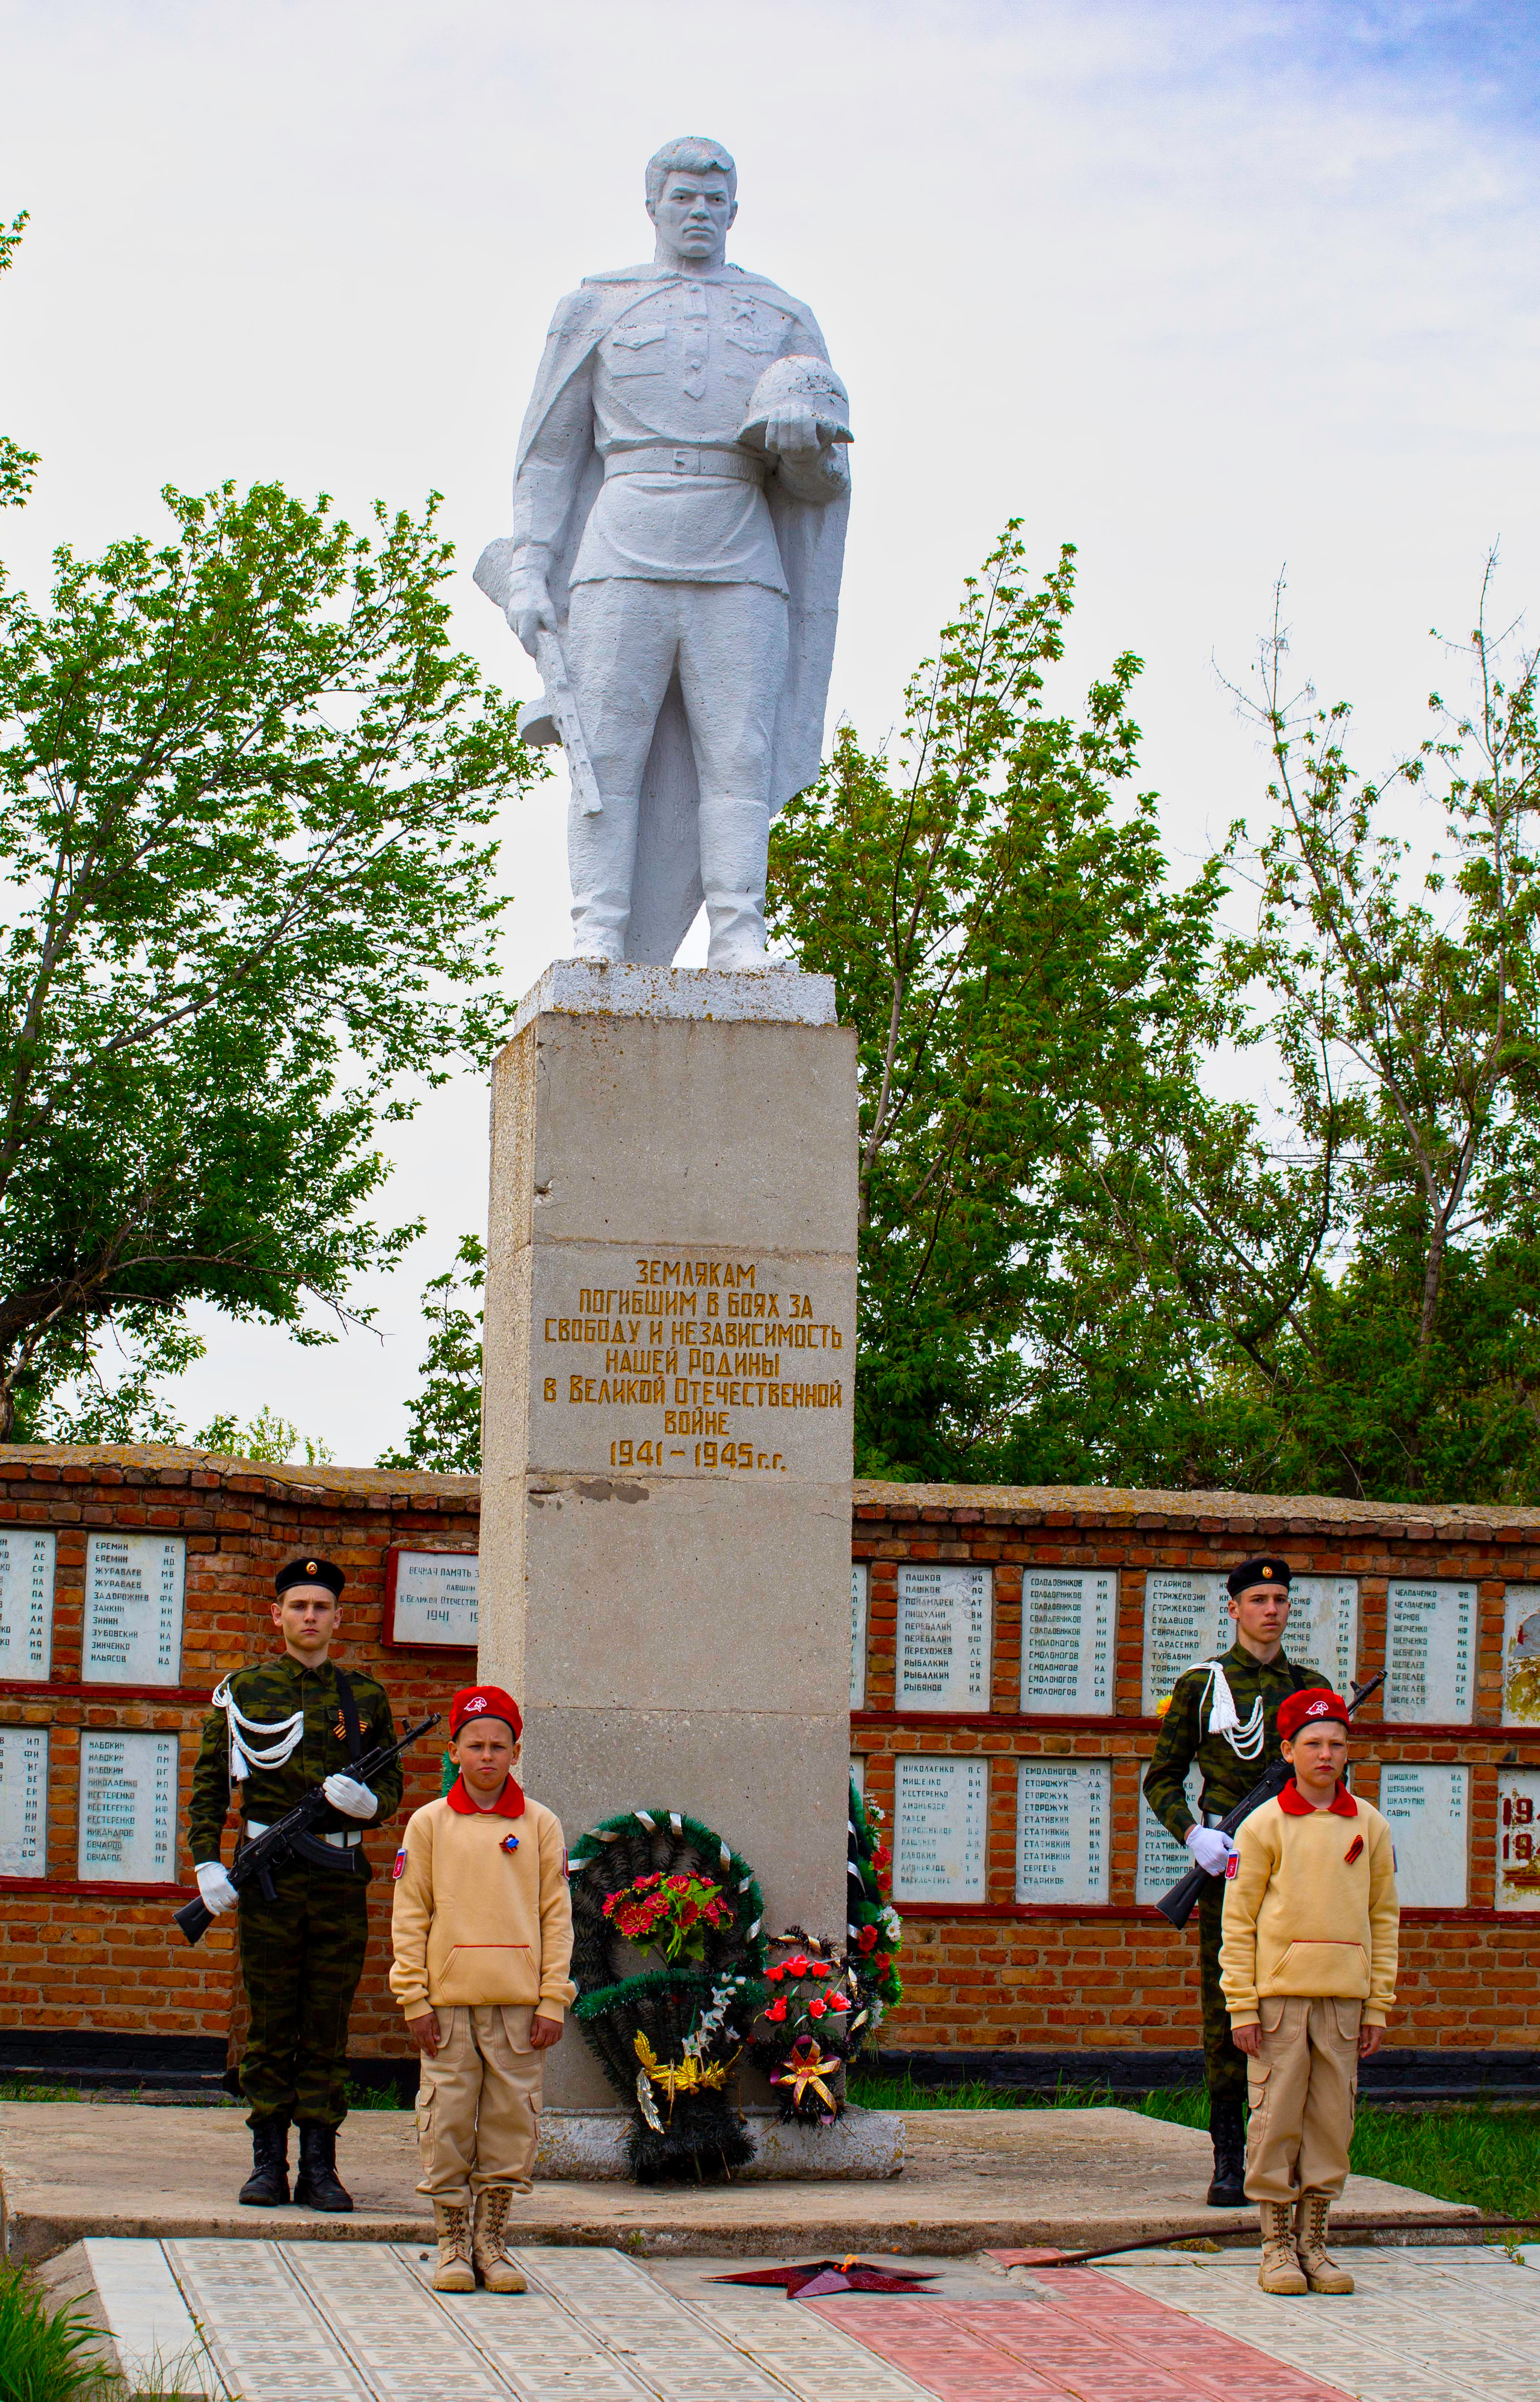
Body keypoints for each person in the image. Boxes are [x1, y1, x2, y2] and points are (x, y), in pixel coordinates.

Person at [477, 133, 850, 969]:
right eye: (683, 198)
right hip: (623, 545)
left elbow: (825, 484)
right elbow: (551, 450)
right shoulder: (598, 307)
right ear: (654, 206)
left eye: (715, 201)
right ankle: (599, 929)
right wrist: (532, 563)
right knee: (605, 750)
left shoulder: (783, 318)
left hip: (739, 551)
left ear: (735, 211)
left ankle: (739, 933)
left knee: (739, 751)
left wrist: (800, 448)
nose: (699, 213)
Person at [188, 1556, 401, 2213]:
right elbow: (207, 1787)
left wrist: (370, 1807)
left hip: (337, 1880)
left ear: (338, 1618)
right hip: (270, 1878)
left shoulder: (363, 1697)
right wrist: (207, 1863)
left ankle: (320, 2164)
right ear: (276, 1615)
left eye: (321, 1607)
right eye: (298, 1606)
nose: (310, 1617)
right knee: (272, 2018)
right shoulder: (243, 1693)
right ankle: (266, 2161)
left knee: (327, 2019)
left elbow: (391, 1785)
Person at [1142, 1556, 1331, 2204]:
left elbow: (1333, 1787)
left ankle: (1281, 2150)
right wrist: (1194, 1836)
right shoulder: (1202, 1686)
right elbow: (1160, 1777)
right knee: (1227, 2009)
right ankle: (1228, 2158)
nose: (1271, 1609)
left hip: (1295, 1870)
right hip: (1227, 1869)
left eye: (1279, 1598)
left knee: (1295, 2002)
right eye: (1258, 1599)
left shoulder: (1309, 1688)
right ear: (1234, 1609)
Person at [389, 1684, 575, 2294]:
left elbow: (556, 1916)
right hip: (447, 2007)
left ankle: (491, 2243)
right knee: (446, 2121)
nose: (487, 1757)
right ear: (455, 1751)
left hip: (519, 2009)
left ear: (516, 1752)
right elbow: (410, 1914)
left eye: (499, 1745)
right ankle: (449, 2243)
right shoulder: (429, 1825)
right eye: (476, 1745)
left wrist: (552, 1999)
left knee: (508, 2125)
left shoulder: (540, 1825)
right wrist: (413, 1997)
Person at [1221, 1687, 1398, 2293]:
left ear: (1348, 1752)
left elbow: (1383, 1918)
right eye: (1313, 1744)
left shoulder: (1368, 1824)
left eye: (1337, 1744)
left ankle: (1314, 2242)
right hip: (1280, 2003)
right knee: (1275, 2123)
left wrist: (1377, 2001)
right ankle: (1274, 2246)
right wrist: (1242, 2004)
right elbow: (1237, 1923)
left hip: (1344, 2004)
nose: (1326, 1755)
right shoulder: (1263, 1825)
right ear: (1288, 1750)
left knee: (1330, 2125)